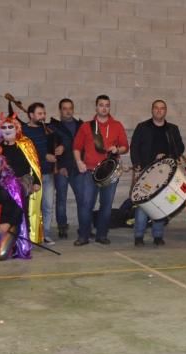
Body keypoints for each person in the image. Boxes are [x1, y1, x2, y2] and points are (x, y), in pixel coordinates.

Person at [73, 95, 128, 246]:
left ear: (109, 107)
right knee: (86, 205)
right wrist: (79, 162)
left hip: (111, 173)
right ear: (96, 107)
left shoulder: (117, 125)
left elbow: (125, 146)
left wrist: (117, 149)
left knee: (106, 205)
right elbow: (76, 147)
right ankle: (83, 235)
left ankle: (102, 235)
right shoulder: (86, 126)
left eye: (107, 105)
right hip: (90, 171)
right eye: (101, 105)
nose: (104, 108)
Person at [0, 113, 43, 244]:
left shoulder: (25, 143)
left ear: (16, 129)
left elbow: (34, 163)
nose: (7, 130)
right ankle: (1, 236)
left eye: (10, 127)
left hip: (22, 179)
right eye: (4, 127)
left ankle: (22, 239)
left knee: (18, 203)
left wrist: (36, 181)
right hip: (1, 182)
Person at [129, 99, 183, 247]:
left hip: (166, 174)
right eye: (156, 108)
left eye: (162, 108)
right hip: (146, 171)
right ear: (152, 110)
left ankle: (158, 235)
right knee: (143, 204)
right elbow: (134, 147)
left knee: (161, 204)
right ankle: (139, 236)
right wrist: (137, 165)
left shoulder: (172, 129)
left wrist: (166, 155)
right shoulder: (142, 127)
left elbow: (180, 148)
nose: (159, 111)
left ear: (166, 111)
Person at [22, 102, 61, 246]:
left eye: (44, 113)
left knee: (48, 205)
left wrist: (61, 147)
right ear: (31, 115)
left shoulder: (48, 129)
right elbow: (25, 151)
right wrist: (44, 156)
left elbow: (60, 141)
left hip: (48, 173)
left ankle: (46, 234)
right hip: (30, 175)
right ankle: (30, 234)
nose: (43, 116)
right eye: (39, 114)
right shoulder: (23, 131)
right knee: (32, 206)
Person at [50, 98, 82, 240]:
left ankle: (84, 226)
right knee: (61, 199)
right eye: (65, 108)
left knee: (83, 199)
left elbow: (83, 147)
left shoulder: (81, 125)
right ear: (60, 110)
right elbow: (53, 148)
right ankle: (62, 227)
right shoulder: (53, 126)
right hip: (62, 168)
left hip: (77, 168)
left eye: (70, 108)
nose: (68, 111)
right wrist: (60, 166)